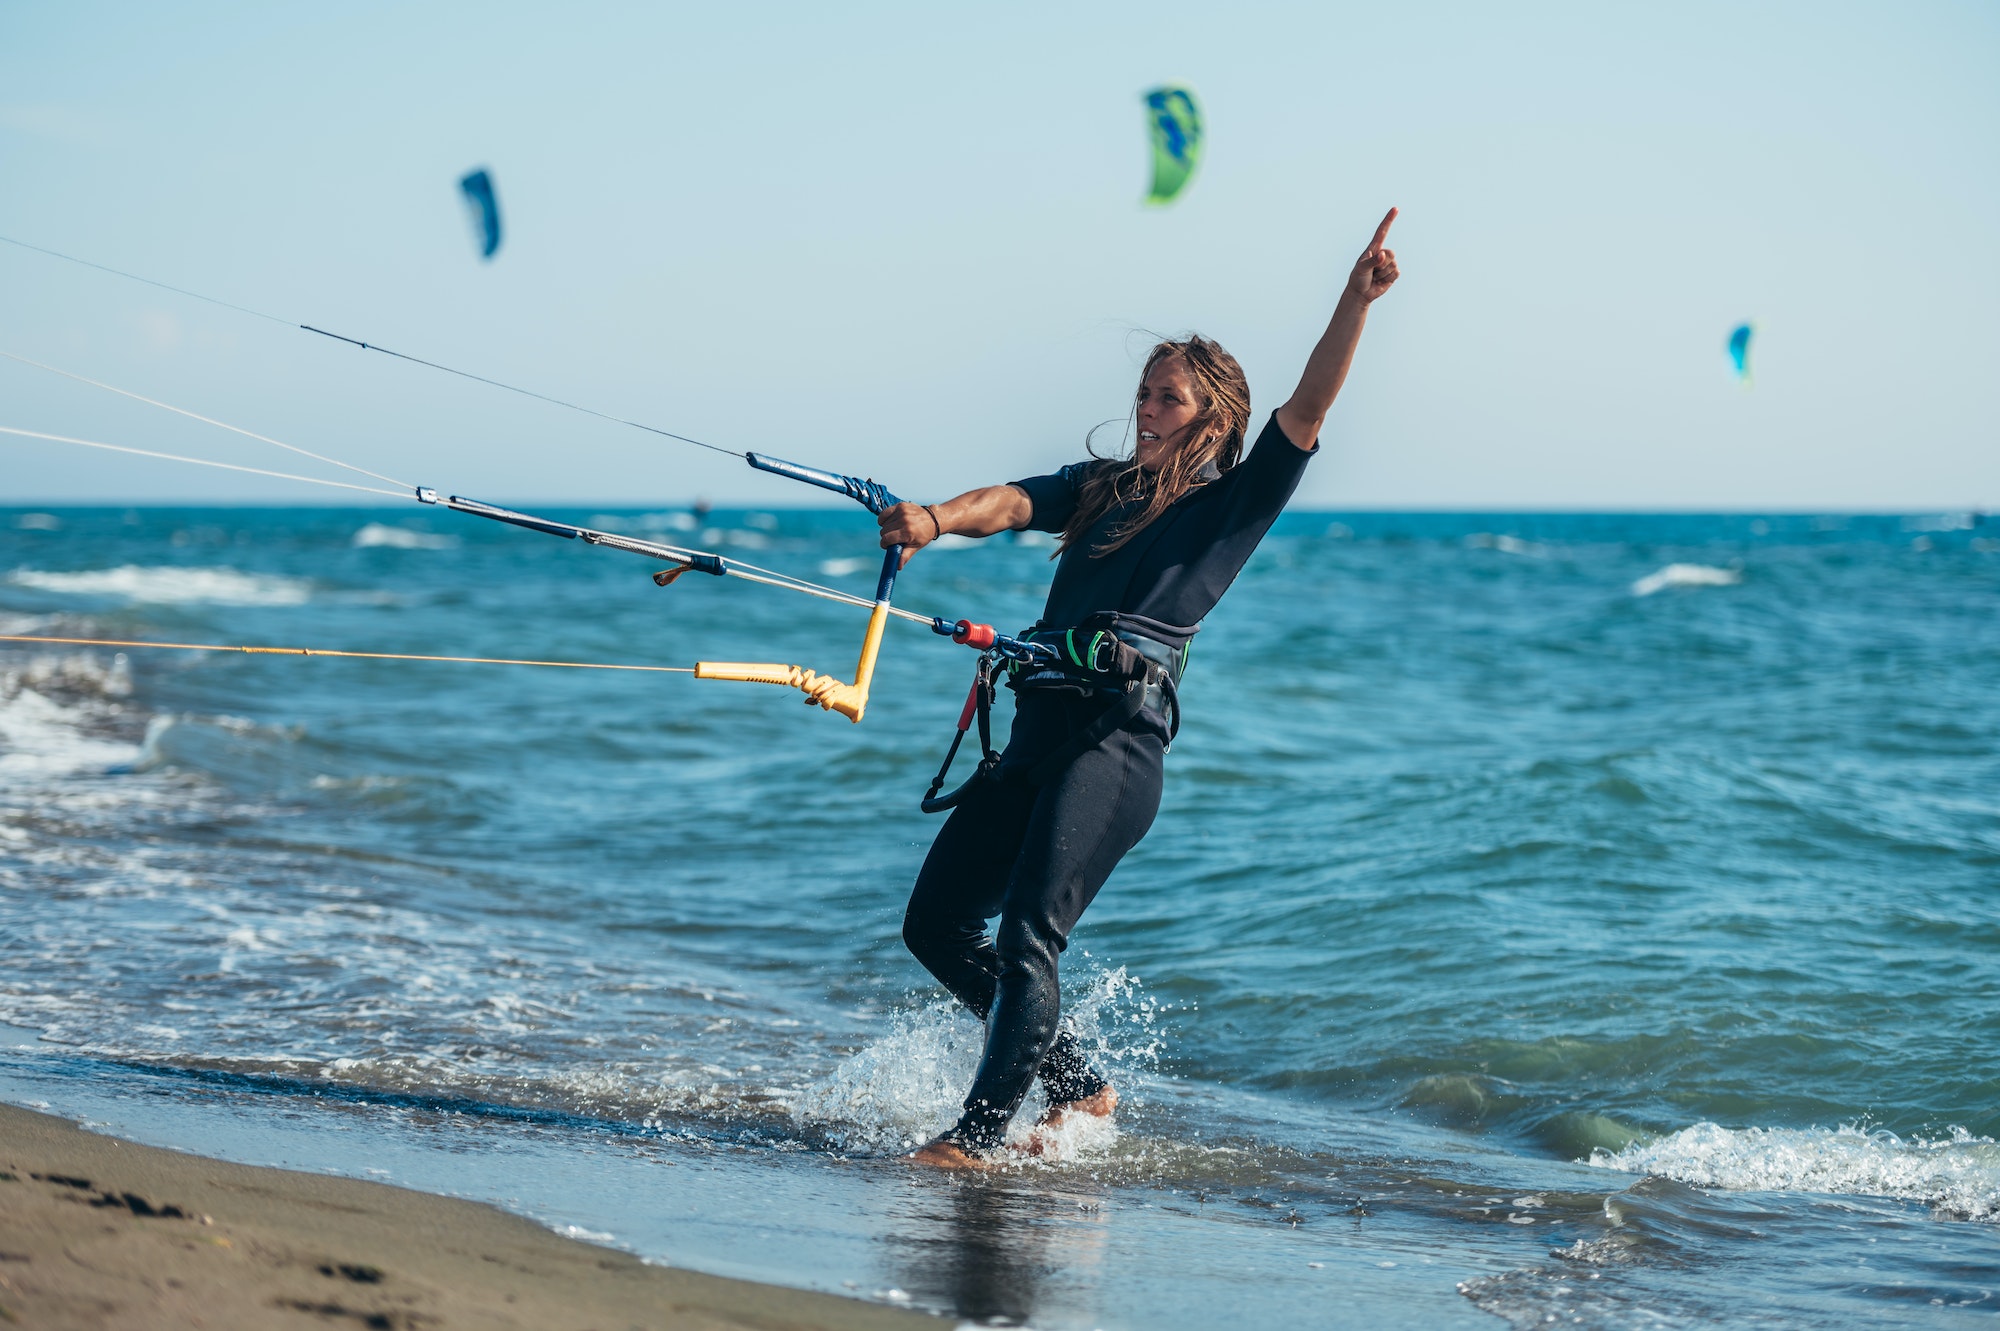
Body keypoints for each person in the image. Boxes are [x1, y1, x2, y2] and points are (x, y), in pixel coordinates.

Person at [876, 209, 1403, 1168]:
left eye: (1166, 398)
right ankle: (1081, 1087)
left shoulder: (1230, 504)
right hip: (1039, 727)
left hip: (1115, 745)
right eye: (1144, 393)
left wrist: (1353, 299)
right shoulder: (1103, 486)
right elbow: (1012, 500)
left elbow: (1310, 410)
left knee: (1032, 930)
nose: (1147, 410)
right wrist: (931, 519)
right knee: (936, 923)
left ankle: (975, 1140)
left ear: (1212, 418)